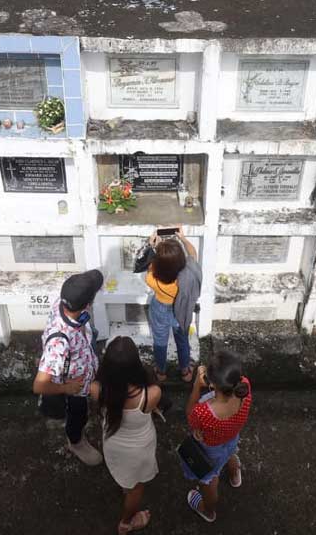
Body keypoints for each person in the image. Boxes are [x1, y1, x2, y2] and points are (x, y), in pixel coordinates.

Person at [89, 336, 162, 534]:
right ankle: (126, 522)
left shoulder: (97, 389)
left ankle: (125, 486)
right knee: (136, 489)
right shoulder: (152, 393)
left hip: (113, 443)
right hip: (140, 449)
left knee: (126, 480)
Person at [32, 269, 105, 465]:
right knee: (77, 415)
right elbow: (39, 385)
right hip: (74, 389)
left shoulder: (64, 301)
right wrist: (67, 388)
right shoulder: (59, 343)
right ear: (87, 305)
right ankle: (76, 441)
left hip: (83, 368)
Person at [183, 349, 252, 523]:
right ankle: (234, 473)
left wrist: (197, 386)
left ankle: (208, 510)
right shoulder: (245, 386)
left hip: (211, 449)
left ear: (212, 385)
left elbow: (190, 417)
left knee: (209, 481)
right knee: (230, 451)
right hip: (232, 436)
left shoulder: (204, 411)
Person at [143, 227, 202, 383]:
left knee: (160, 342)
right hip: (181, 310)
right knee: (182, 340)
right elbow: (193, 253)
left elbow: (150, 265)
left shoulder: (151, 279)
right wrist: (182, 238)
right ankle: (186, 372)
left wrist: (154, 247)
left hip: (160, 308)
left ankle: (161, 372)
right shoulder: (189, 272)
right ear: (181, 260)